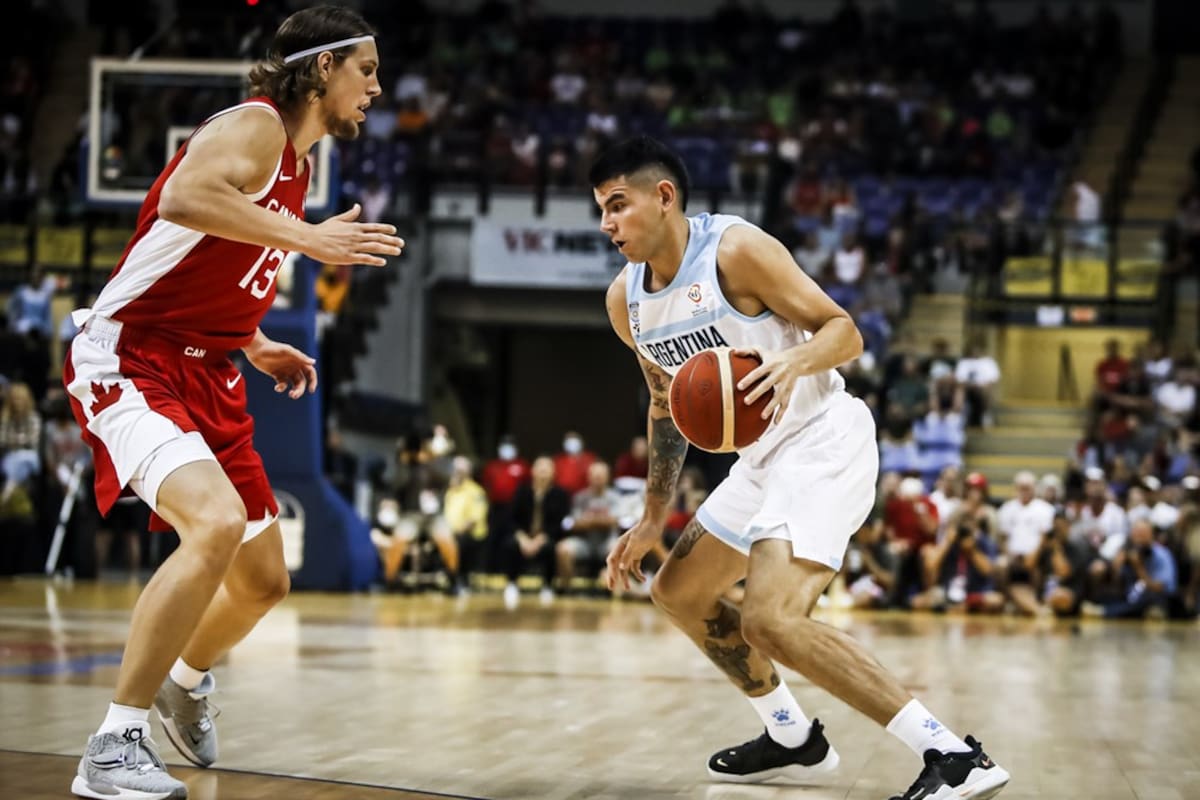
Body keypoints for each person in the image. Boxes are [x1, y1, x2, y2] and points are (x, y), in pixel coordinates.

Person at [593, 136, 1009, 800]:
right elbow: (665, 404)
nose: (608, 225)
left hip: (821, 438)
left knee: (771, 619)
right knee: (679, 591)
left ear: (663, 196)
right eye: (601, 211)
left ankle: (954, 756)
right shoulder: (627, 304)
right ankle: (793, 737)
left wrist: (796, 360)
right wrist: (650, 519)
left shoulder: (735, 251)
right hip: (759, 461)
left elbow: (844, 329)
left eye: (618, 205)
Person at [62, 7, 403, 798]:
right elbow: (183, 199)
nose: (376, 88)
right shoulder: (255, 127)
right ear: (322, 69)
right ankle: (112, 746)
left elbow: (213, 263)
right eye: (366, 70)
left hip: (209, 368)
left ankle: (186, 677)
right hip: (133, 353)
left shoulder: (300, 168)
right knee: (212, 523)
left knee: (262, 581)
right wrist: (310, 239)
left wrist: (251, 342)